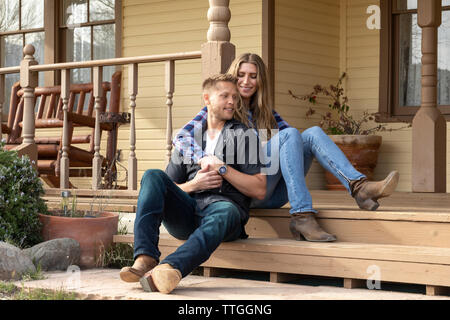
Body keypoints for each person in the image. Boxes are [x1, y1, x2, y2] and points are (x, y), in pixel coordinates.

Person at [173, 53, 399, 243]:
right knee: (290, 134)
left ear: (261, 81)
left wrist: (266, 147)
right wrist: (206, 159)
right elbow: (182, 136)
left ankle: (359, 187)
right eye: (241, 75)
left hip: (271, 191)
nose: (246, 81)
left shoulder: (266, 112)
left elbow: (294, 143)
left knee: (311, 134)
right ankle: (302, 215)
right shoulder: (222, 107)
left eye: (253, 76)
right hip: (241, 192)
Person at [119, 74, 266, 294]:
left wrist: (223, 169)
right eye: (224, 96)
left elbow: (260, 189)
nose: (232, 102)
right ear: (207, 98)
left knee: (225, 210)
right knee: (152, 175)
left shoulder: (246, 135)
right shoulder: (189, 139)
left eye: (235, 97)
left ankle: (171, 268)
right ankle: (145, 257)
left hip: (225, 212)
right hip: (187, 212)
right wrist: (194, 185)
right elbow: (170, 186)